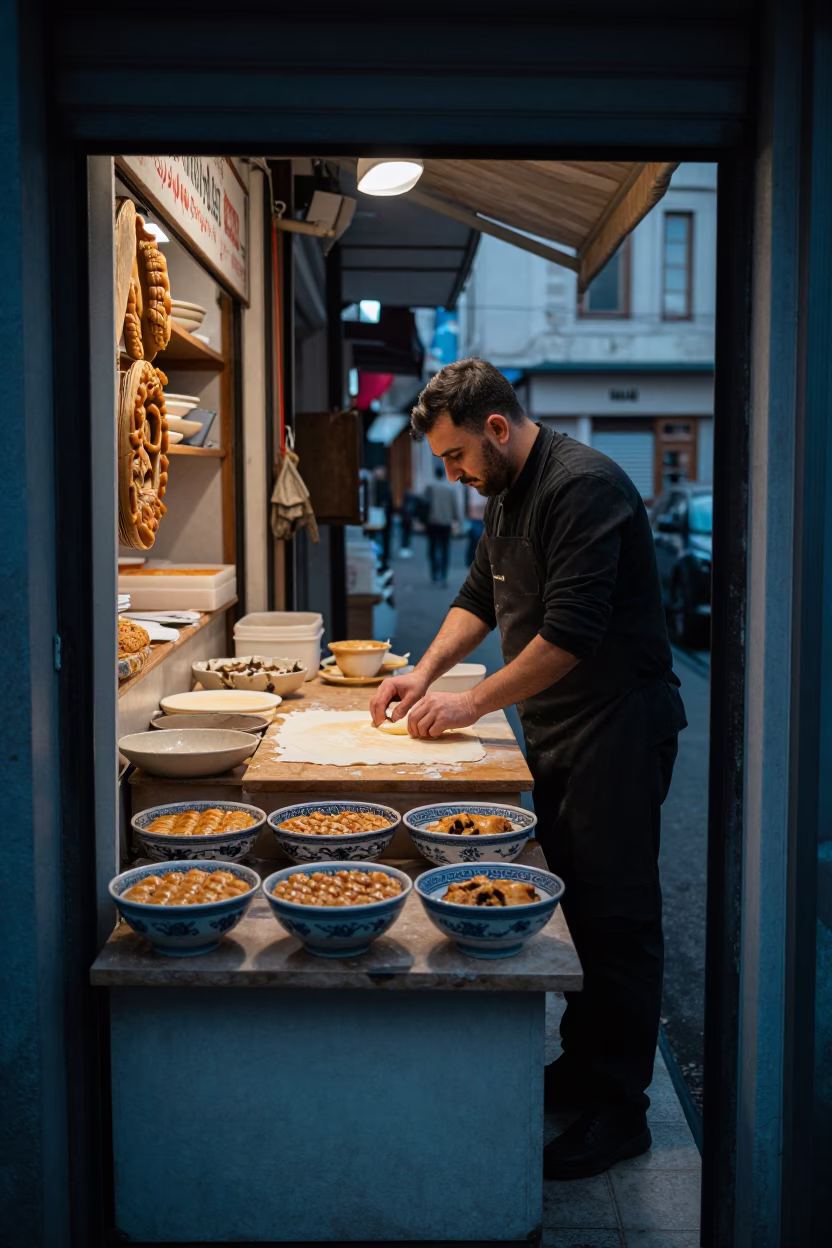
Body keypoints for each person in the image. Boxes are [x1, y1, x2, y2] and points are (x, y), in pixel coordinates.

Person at [369, 359, 687, 1180]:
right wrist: (426, 673)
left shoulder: (584, 487)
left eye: (456, 458)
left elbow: (571, 634)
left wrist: (473, 707)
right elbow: (480, 595)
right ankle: (584, 1067)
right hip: (556, 726)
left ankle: (621, 1111)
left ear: (497, 429)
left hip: (616, 725)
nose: (455, 476)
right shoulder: (508, 491)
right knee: (575, 903)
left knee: (618, 919)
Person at [424, 463, 462, 585]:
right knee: (445, 549)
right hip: (446, 522)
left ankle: (434, 573)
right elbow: (455, 506)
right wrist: (458, 520)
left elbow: (424, 504)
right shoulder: (450, 489)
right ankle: (444, 575)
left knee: (433, 547)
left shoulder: (430, 487)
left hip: (432, 521)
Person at [465, 481, 486, 563]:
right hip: (475, 517)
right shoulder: (471, 486)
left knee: (476, 540)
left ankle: (473, 559)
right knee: (475, 539)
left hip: (479, 517)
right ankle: (472, 559)